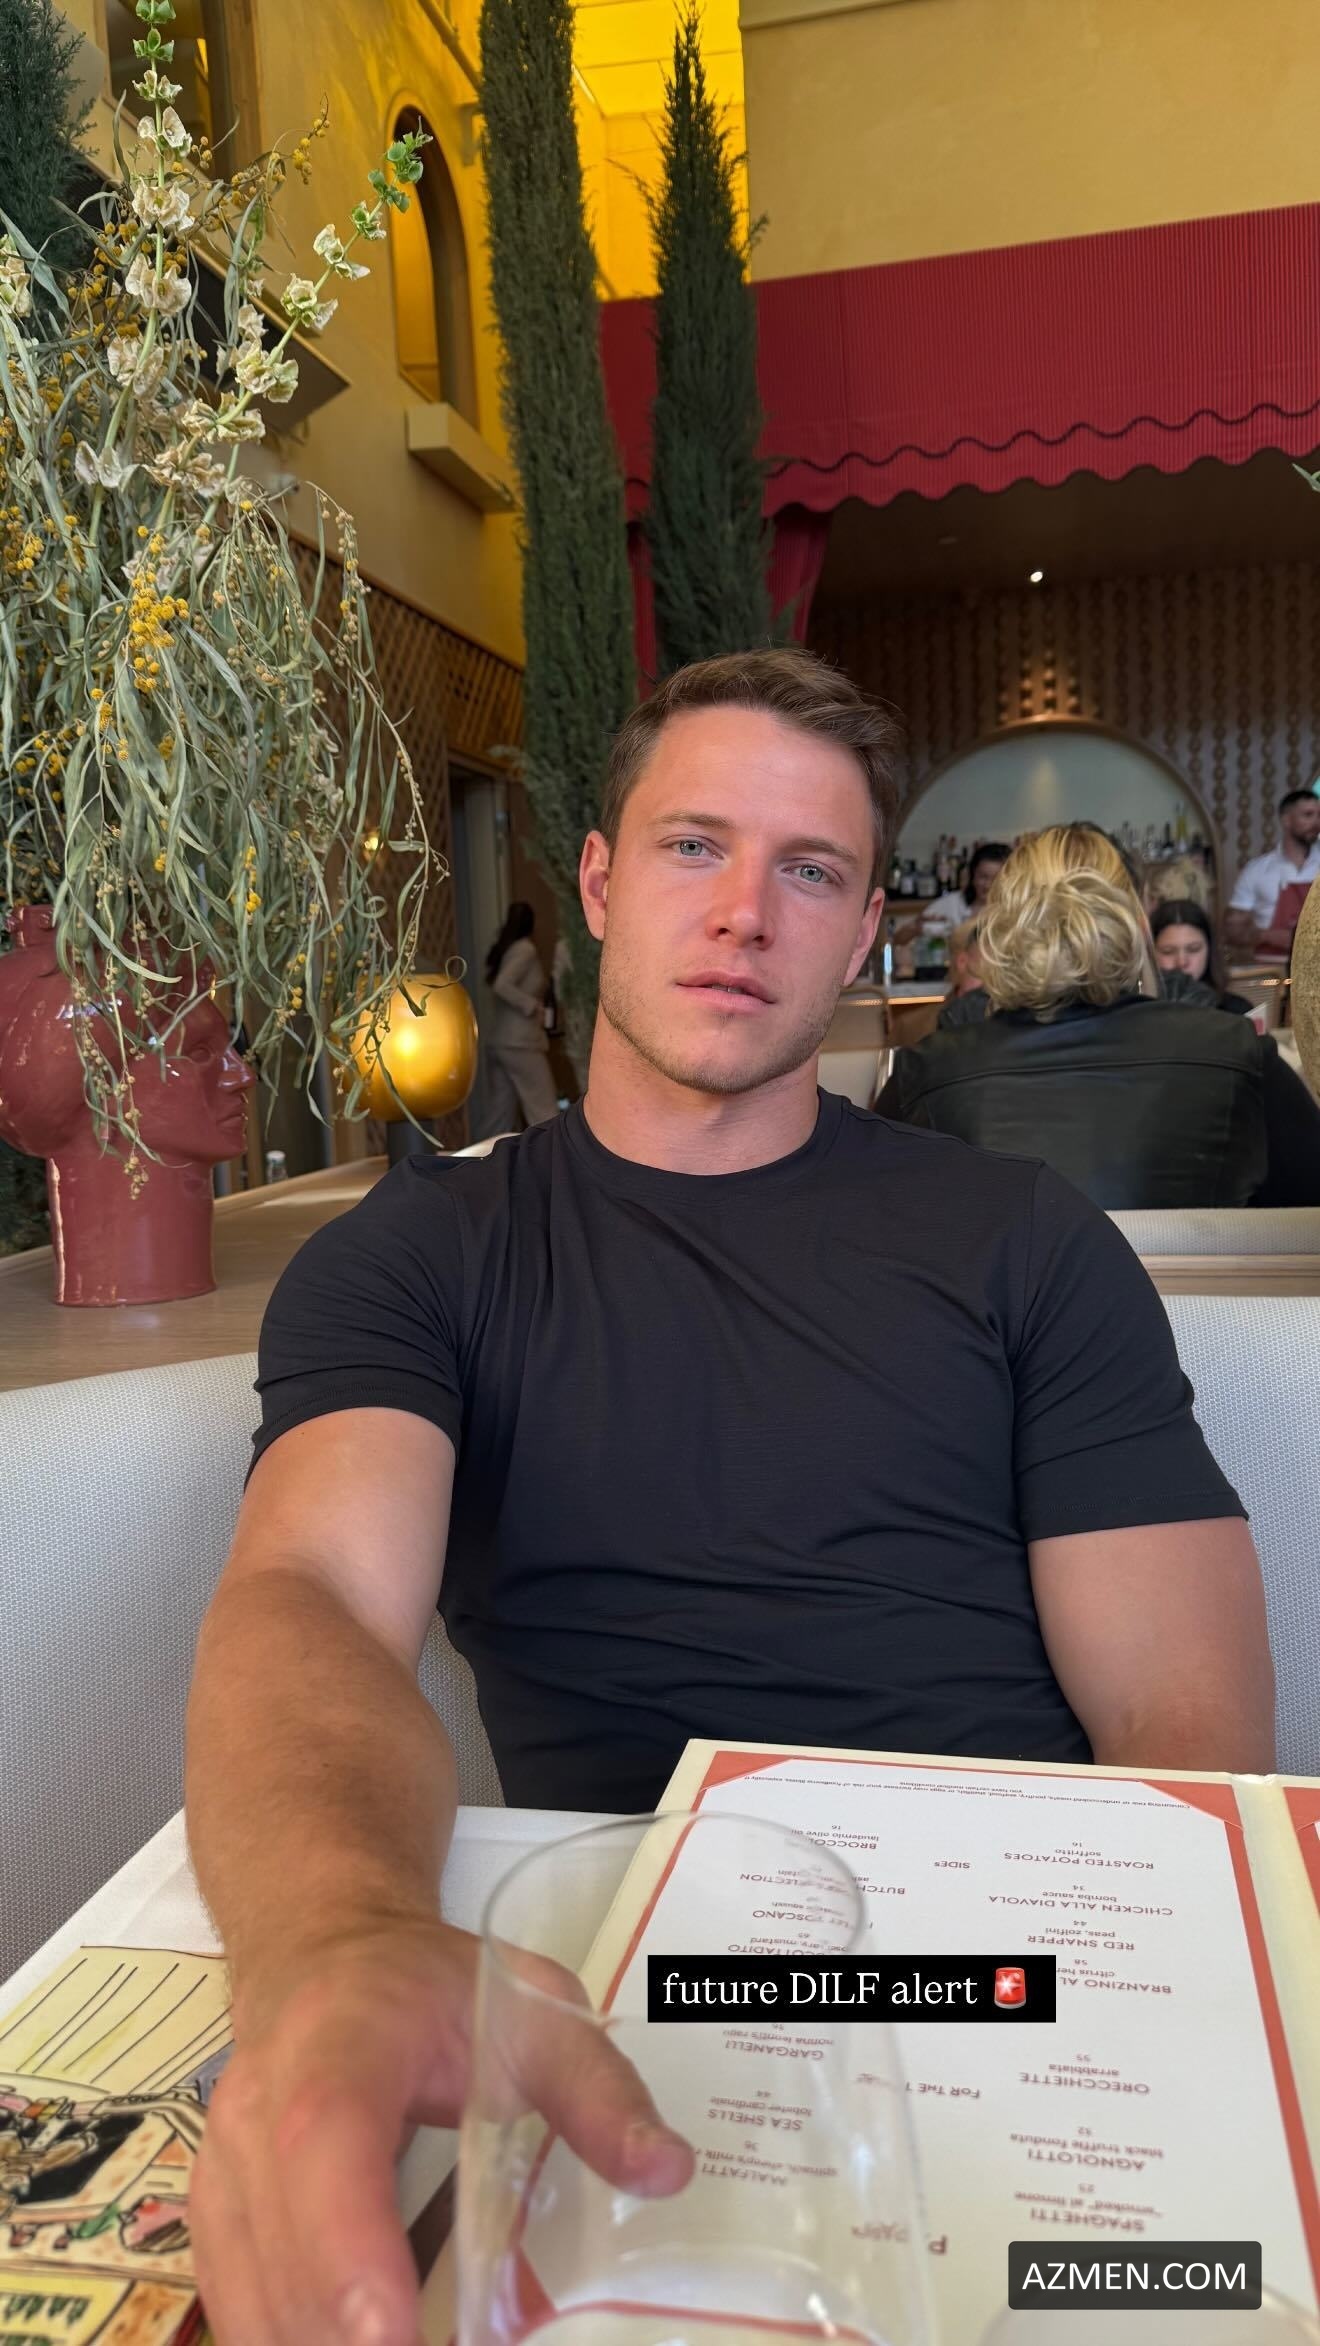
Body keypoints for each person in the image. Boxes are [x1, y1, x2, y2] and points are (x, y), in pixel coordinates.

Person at [185, 654, 1274, 2346]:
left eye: (811, 869)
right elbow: (311, 1598)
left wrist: (1122, 2047)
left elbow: (1185, 1729)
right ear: (599, 882)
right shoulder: (425, 1255)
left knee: (1185, 2310)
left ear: (866, 935)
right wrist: (336, 1937)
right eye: (694, 845)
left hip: (1021, 1978)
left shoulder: (1021, 1239)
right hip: (637, 1993)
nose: (745, 912)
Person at [877, 824, 1320, 1208]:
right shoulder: (1236, 1054)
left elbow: (879, 1226)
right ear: (1136, 924)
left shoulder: (927, 1073)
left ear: (1001, 930)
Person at [478, 900, 561, 1133]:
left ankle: (487, 1154)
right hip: (520, 1042)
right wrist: (532, 1006)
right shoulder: (525, 950)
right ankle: (551, 1153)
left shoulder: (509, 948)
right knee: (543, 1107)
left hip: (501, 1042)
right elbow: (502, 985)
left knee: (500, 1113)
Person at [1225, 788, 1320, 956]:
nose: (1316, 822)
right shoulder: (1256, 870)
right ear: (1286, 820)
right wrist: (1267, 936)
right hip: (1272, 969)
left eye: (1319, 815)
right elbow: (1232, 931)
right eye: (1308, 815)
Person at [893, 838, 1009, 947]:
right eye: (983, 877)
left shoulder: (1014, 910)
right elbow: (898, 940)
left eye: (996, 879)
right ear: (972, 875)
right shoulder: (953, 903)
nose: (988, 885)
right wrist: (916, 927)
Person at [1150, 898, 1253, 1015]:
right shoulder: (1140, 1013)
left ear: (1210, 950)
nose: (1182, 962)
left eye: (1193, 949)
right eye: (1168, 951)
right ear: (1151, 955)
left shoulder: (1237, 1011)